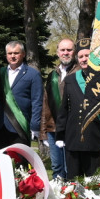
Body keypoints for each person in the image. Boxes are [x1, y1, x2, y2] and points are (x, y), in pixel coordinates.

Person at [56, 48, 100, 178]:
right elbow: (64, 108)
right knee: (73, 182)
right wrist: (60, 134)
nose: (84, 59)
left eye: (87, 56)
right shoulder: (71, 79)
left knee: (95, 183)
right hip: (73, 138)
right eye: (80, 56)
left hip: (95, 138)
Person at [0, 41, 43, 150]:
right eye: (10, 53)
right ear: (6, 55)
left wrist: (35, 126)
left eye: (16, 53)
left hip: (20, 124)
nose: (13, 56)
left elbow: (37, 101)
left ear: (23, 54)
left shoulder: (33, 74)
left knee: (20, 163)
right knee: (0, 163)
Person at [41, 38, 78, 179]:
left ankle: (72, 198)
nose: (66, 53)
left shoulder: (80, 72)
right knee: (57, 167)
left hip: (72, 128)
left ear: (74, 52)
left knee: (70, 167)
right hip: (53, 129)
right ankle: (58, 198)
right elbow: (45, 104)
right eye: (62, 50)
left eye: (69, 50)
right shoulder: (52, 75)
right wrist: (43, 131)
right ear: (57, 53)